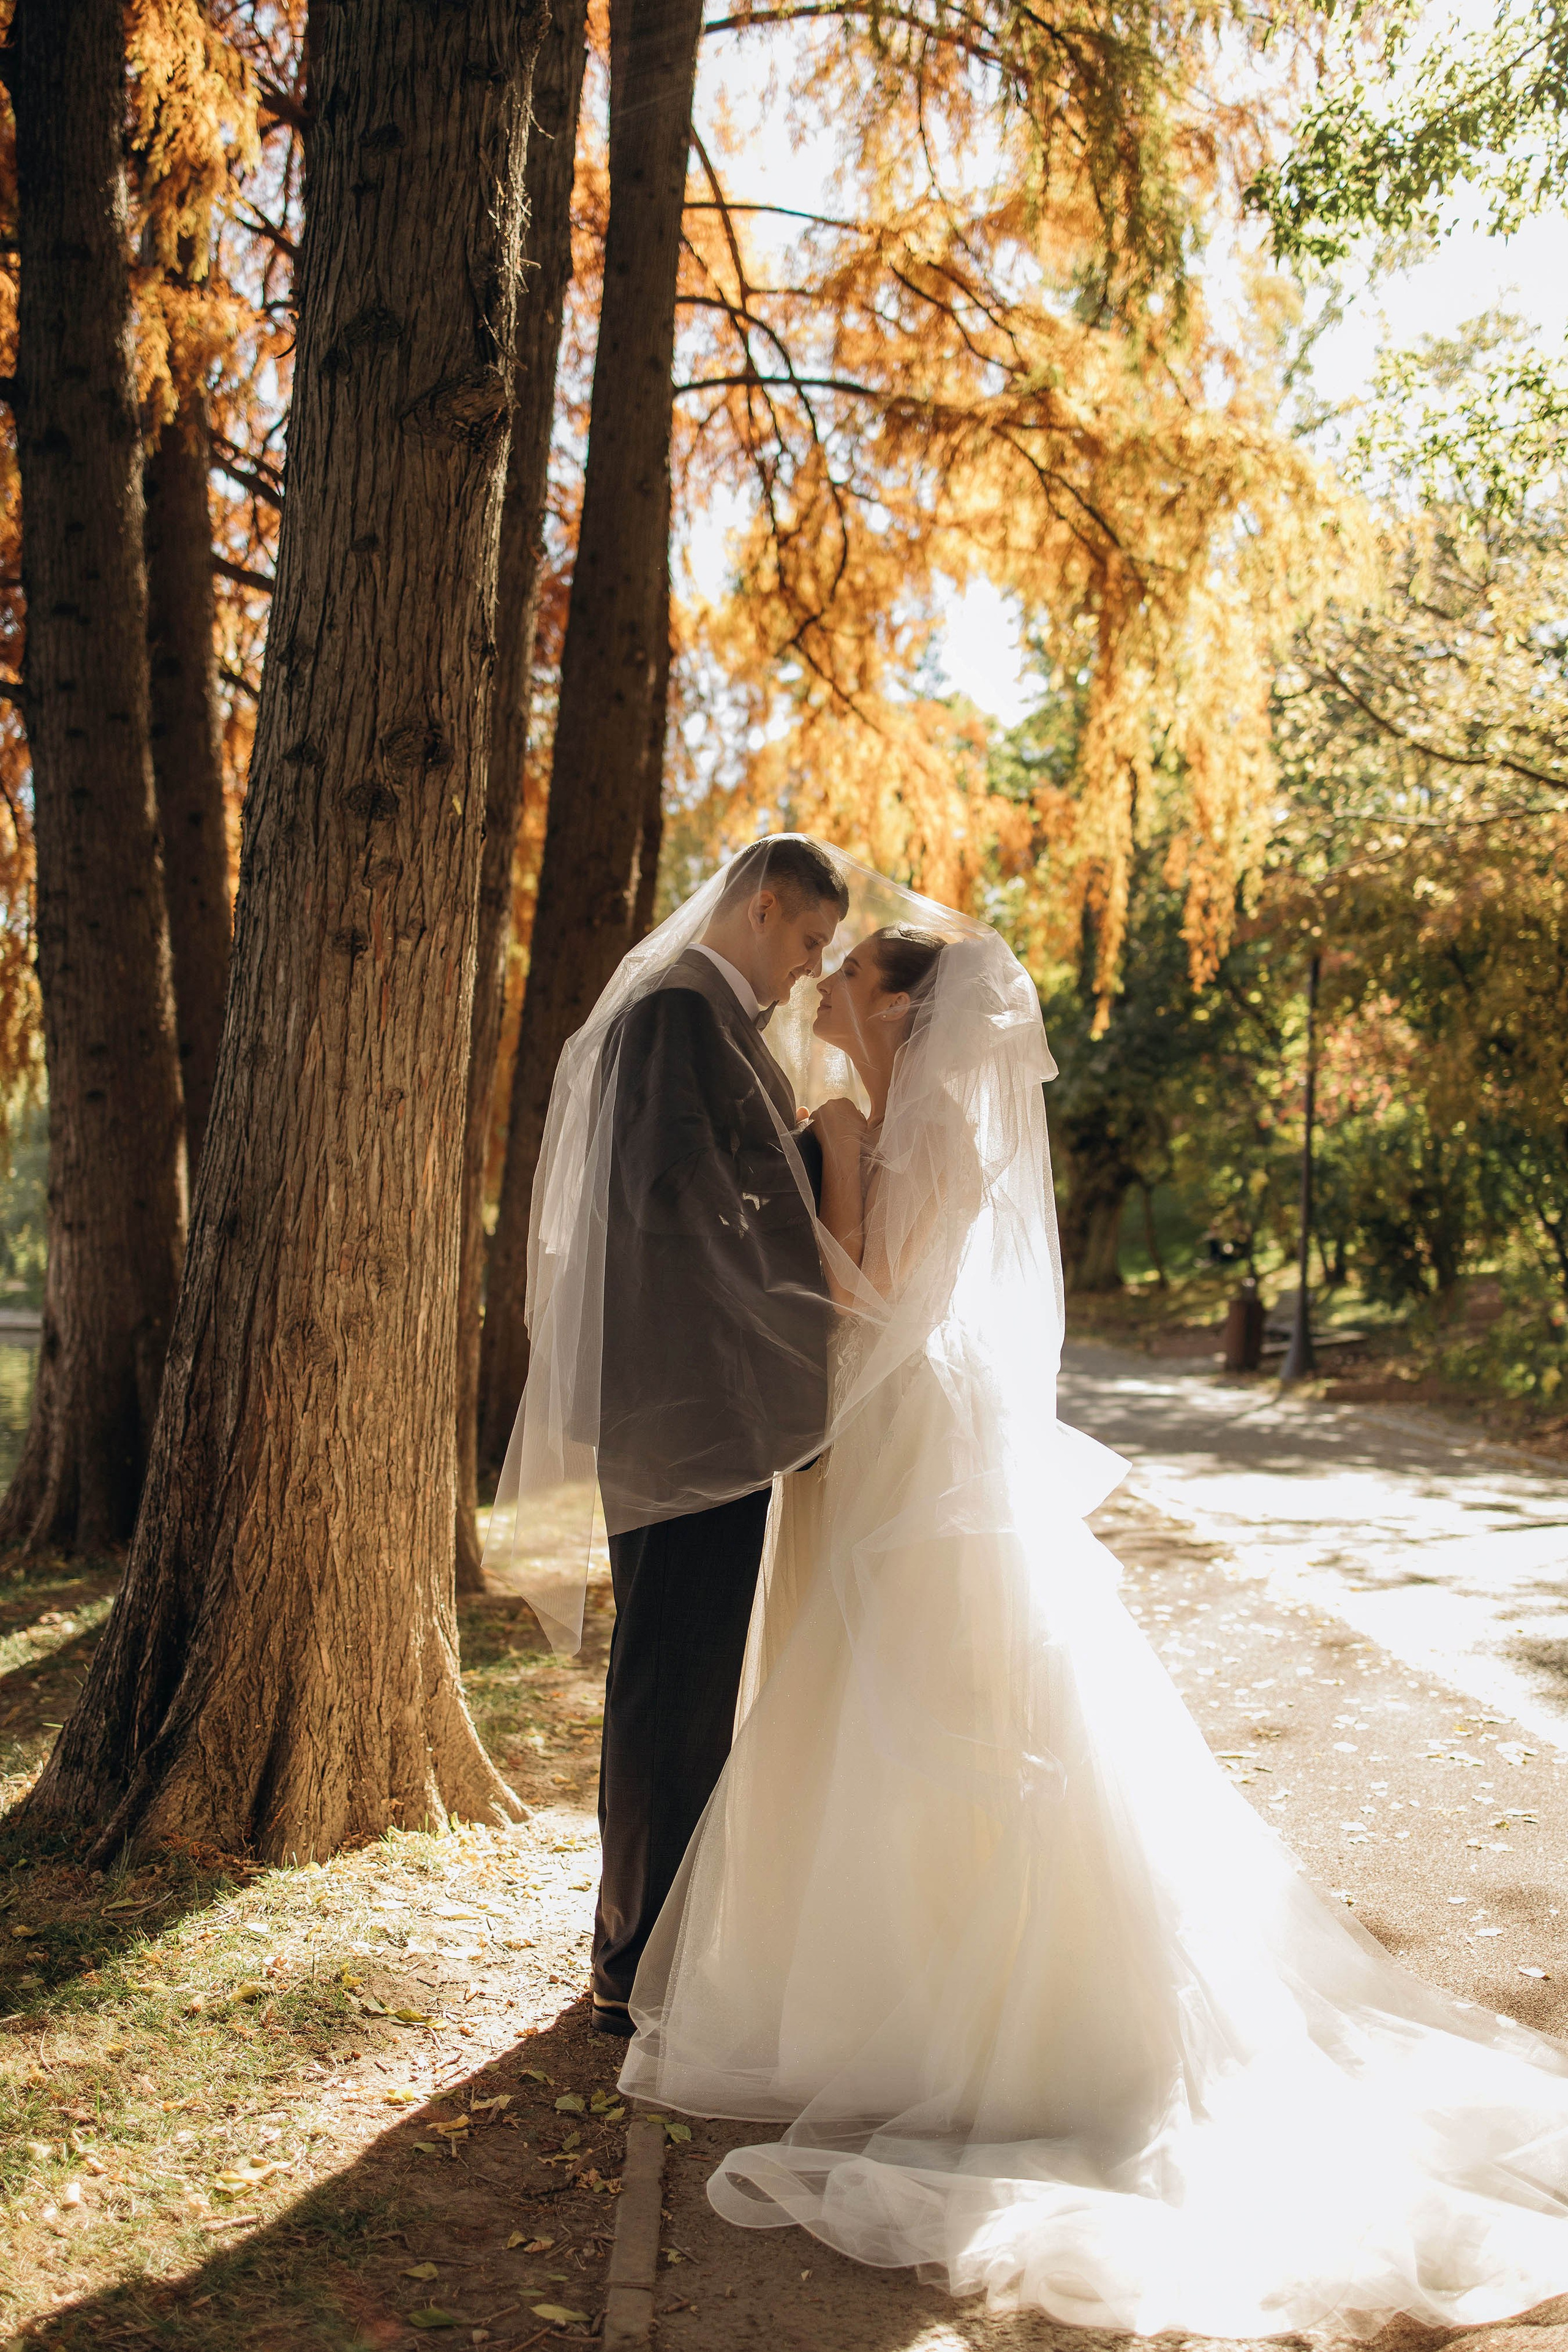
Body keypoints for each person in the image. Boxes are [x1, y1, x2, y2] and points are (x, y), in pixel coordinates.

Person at [616, 869, 1568, 2340]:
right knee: (919, 1699)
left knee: (901, 1697)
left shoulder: (873, 1123)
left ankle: (928, 2007)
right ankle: (898, 1984)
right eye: (822, 953)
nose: (820, 982)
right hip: (907, 1437)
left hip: (898, 1443)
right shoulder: (935, 1126)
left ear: (901, 1013)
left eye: (847, 969)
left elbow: (860, 1288)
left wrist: (824, 1164)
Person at [482, 835, 848, 2037]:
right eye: (804, 941)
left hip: (702, 1410)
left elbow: (707, 1187)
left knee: (682, 1686)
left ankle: (650, 1953)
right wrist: (815, 1164)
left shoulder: (707, 1020)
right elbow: (673, 1198)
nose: (808, 971)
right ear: (759, 905)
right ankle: (634, 1966)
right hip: (689, 1412)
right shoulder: (682, 1013)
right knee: (668, 1689)